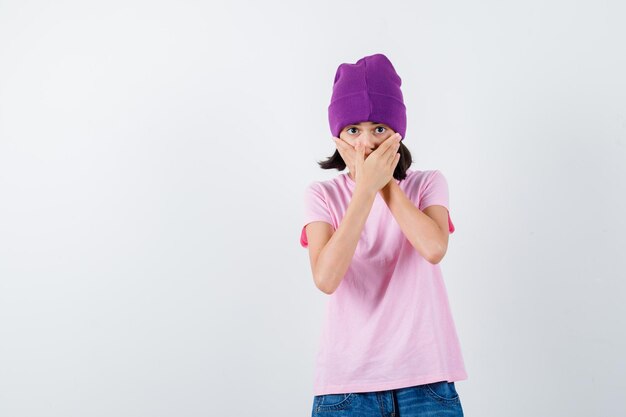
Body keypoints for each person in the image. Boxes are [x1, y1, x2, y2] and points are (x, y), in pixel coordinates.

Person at [300, 53, 468, 416]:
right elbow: (326, 277)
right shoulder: (322, 195)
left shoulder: (427, 184)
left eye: (379, 129)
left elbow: (434, 247)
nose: (366, 144)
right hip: (345, 390)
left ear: (397, 132)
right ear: (338, 137)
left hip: (426, 383)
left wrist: (383, 184)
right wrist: (363, 190)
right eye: (353, 131)